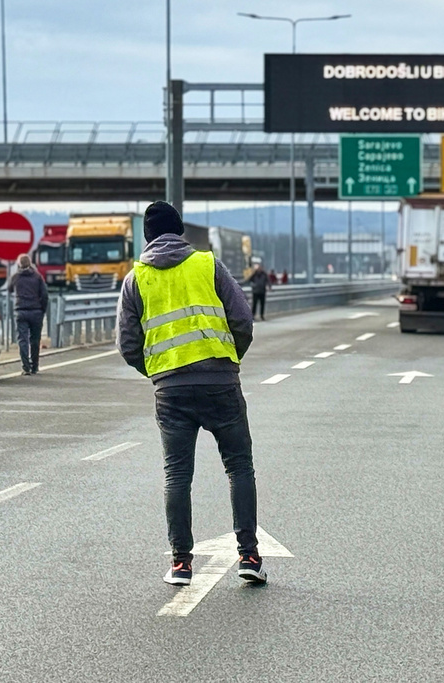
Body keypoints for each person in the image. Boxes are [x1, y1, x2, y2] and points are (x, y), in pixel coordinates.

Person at [116, 201, 267, 587]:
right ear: (180, 230)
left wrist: (158, 371)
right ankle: (249, 556)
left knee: (177, 475)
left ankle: (181, 563)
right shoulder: (207, 264)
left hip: (171, 390)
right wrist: (229, 359)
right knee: (239, 466)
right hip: (220, 382)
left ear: (147, 237)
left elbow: (128, 344)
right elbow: (243, 320)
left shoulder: (136, 280)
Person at [8, 253, 49, 376]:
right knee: (35, 340)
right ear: (30, 264)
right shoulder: (37, 277)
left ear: (19, 264)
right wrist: (42, 309)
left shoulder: (15, 277)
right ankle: (34, 366)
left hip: (21, 311)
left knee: (22, 340)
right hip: (36, 311)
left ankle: (26, 367)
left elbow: (9, 289)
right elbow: (45, 295)